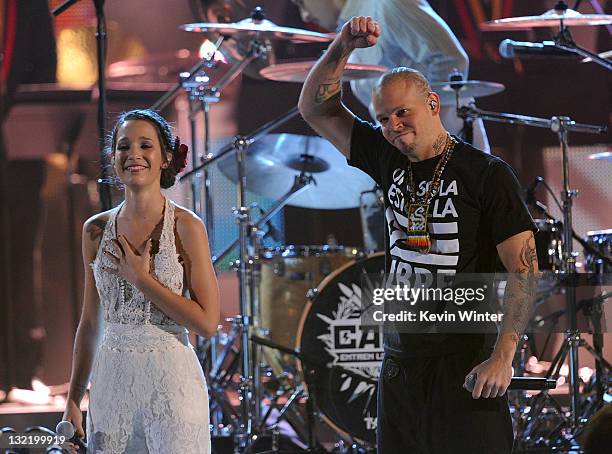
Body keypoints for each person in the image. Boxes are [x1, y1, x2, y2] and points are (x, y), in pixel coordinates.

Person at [299, 17, 539, 453]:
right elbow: (317, 109)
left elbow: (524, 268)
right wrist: (343, 46)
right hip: (400, 365)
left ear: (433, 104)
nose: (393, 125)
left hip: (465, 362)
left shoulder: (485, 174)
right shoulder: (385, 155)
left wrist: (503, 356)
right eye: (383, 118)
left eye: (402, 112)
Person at [61, 109, 220, 453]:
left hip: (171, 382)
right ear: (114, 158)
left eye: (145, 145)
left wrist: (141, 279)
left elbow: (207, 323)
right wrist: (74, 398)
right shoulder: (95, 230)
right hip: (112, 384)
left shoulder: (186, 227)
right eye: (123, 146)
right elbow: (90, 322)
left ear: (164, 158)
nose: (133, 154)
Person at [293, 0, 491, 153]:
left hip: (451, 155)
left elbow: (451, 60)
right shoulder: (350, 30)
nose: (305, 15)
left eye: (301, 2)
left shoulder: (387, 4)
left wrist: (417, 126)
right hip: (406, 158)